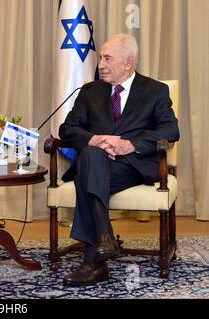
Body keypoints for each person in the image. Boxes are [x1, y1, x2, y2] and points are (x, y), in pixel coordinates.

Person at [59, 34, 180, 286]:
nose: (100, 64)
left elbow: (170, 131)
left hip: (133, 165)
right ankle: (103, 241)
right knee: (92, 156)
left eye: (107, 58)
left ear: (128, 62)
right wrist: (95, 140)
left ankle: (94, 258)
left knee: (87, 177)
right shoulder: (90, 91)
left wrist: (129, 144)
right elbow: (66, 129)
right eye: (100, 58)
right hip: (96, 164)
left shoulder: (155, 91)